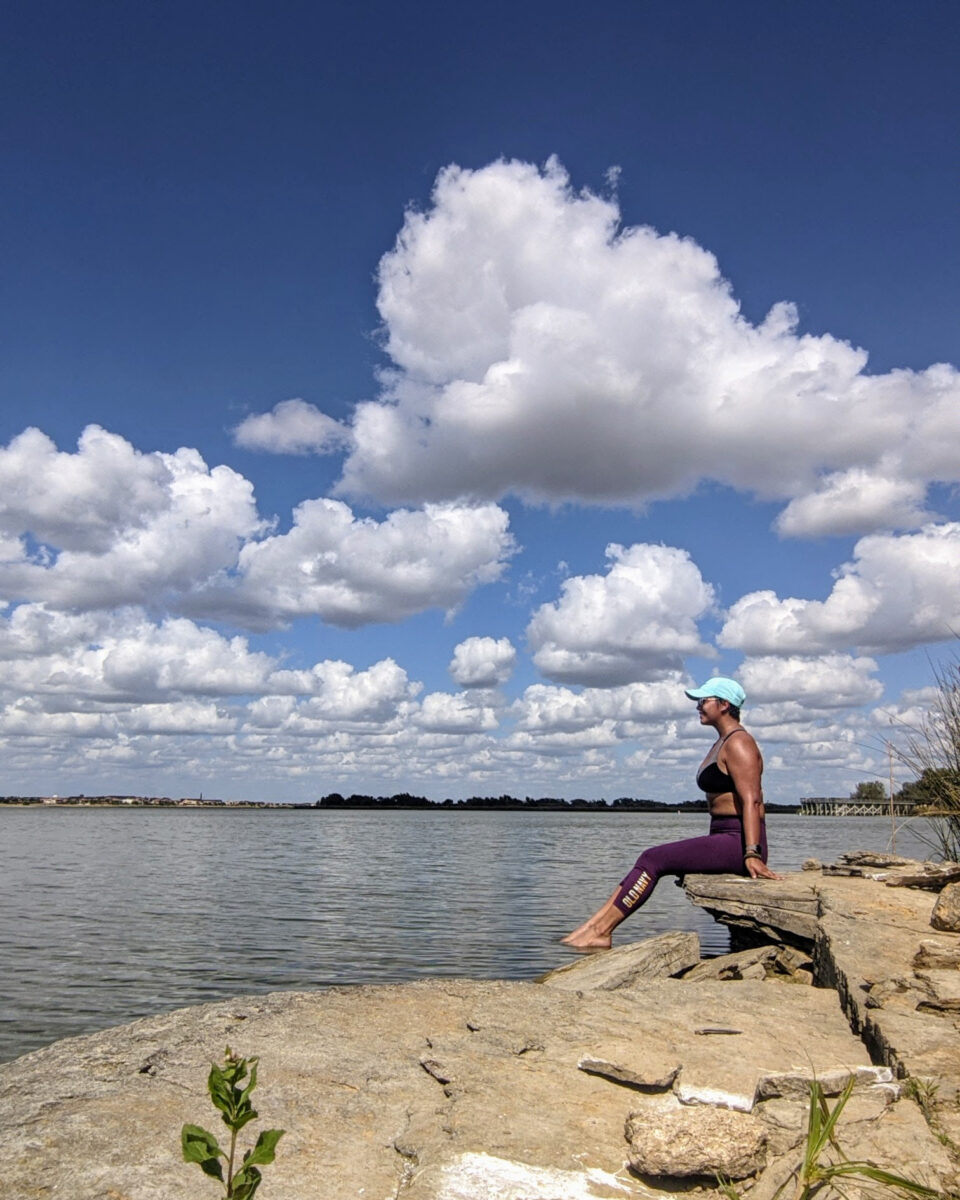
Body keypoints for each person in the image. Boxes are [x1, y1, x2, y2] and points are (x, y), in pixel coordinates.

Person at [561, 676, 780, 950]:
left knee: (653, 858)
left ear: (724, 704)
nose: (698, 707)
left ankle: (601, 932)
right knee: (650, 859)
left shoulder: (740, 742)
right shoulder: (722, 741)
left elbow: (753, 801)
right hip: (723, 836)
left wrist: (752, 854)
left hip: (739, 842)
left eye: (704, 701)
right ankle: (590, 928)